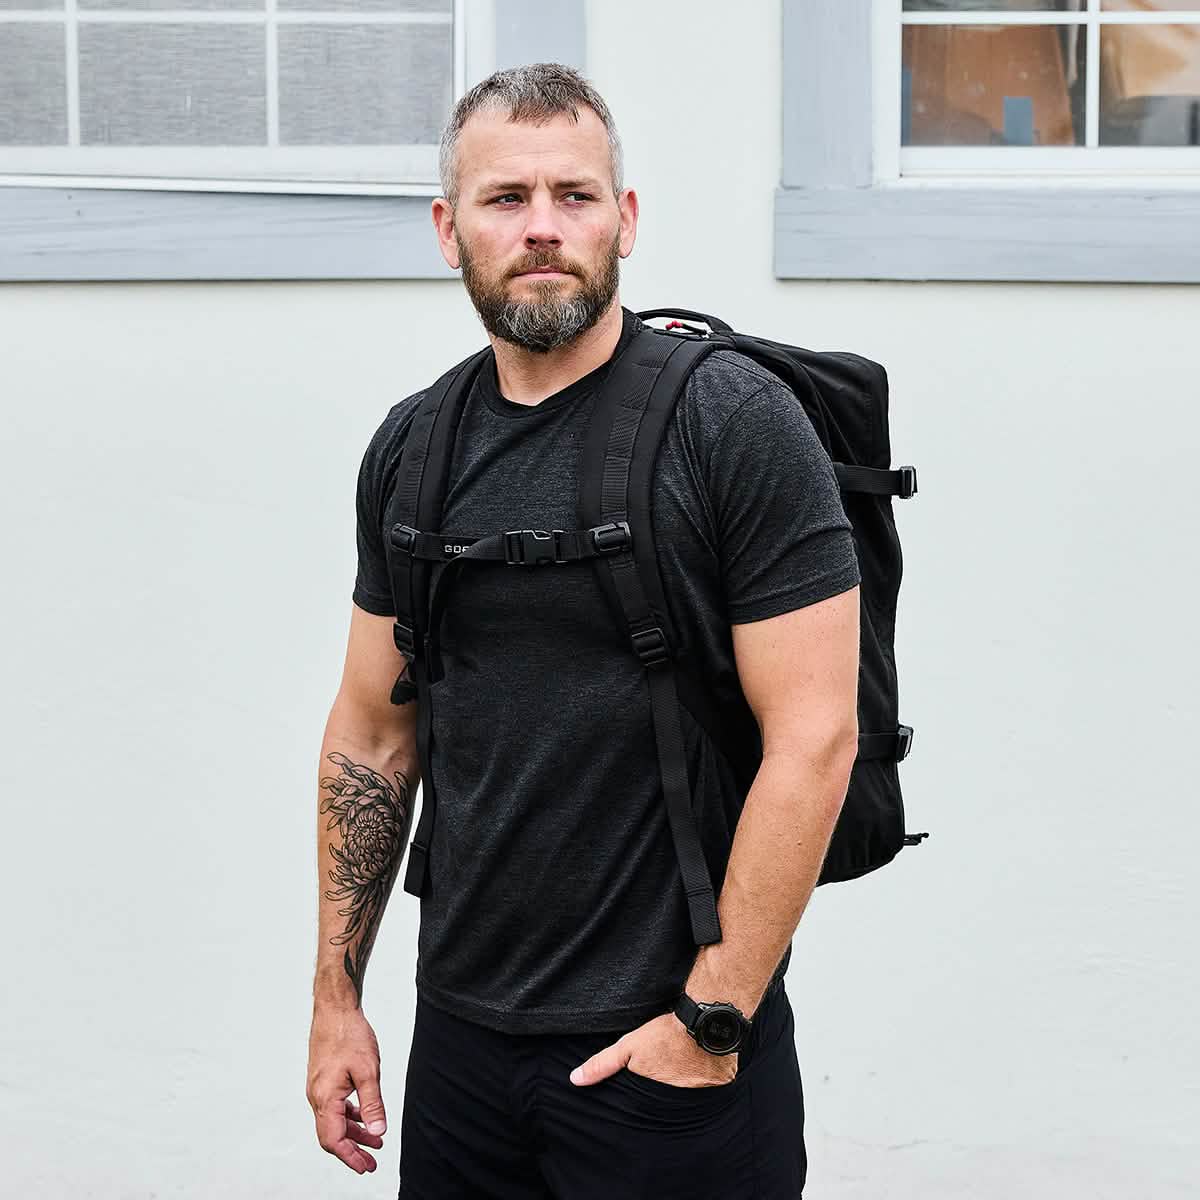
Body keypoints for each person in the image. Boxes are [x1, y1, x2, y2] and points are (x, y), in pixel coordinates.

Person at [306, 62, 861, 1200]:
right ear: (447, 228)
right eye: (507, 198)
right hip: (460, 1045)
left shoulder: (734, 422)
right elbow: (372, 736)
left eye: (577, 194)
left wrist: (709, 1022)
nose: (545, 227)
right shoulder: (414, 448)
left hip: (667, 1053)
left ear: (629, 218)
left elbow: (815, 738)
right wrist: (337, 1002)